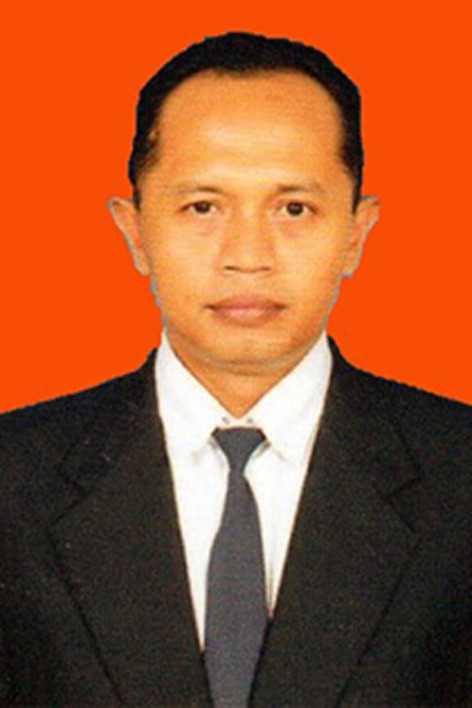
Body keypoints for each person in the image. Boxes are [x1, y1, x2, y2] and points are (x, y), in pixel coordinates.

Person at [0, 32, 470, 708]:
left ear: (356, 233)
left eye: (293, 208)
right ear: (134, 231)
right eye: (203, 207)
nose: (247, 255)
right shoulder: (13, 478)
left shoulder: (459, 473)